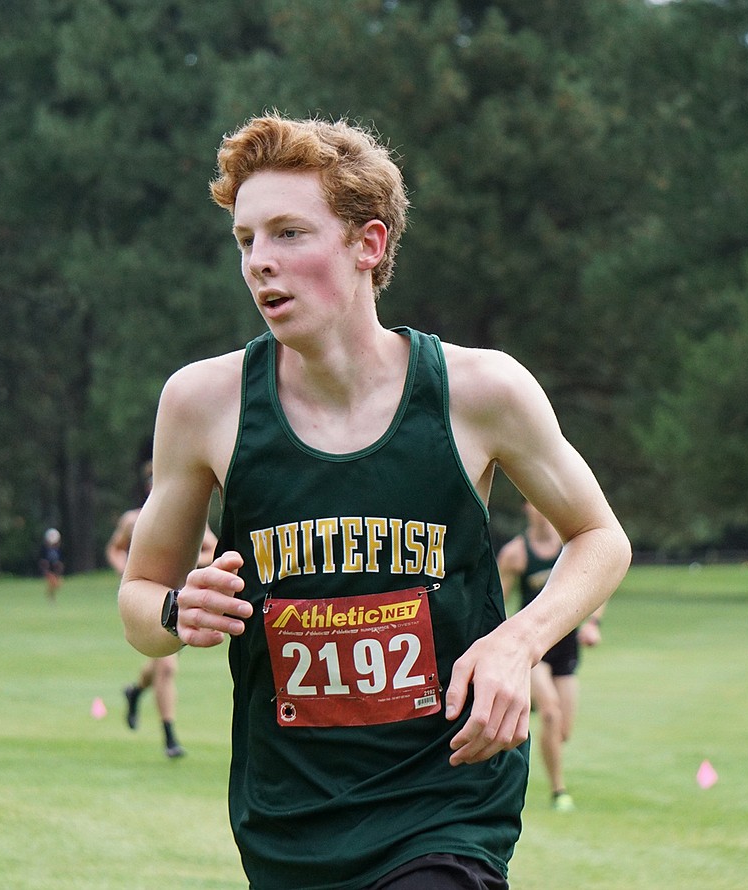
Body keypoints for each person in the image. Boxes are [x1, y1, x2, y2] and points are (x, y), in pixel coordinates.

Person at [118, 113, 631, 890]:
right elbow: (140, 600)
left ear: (369, 244)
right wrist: (174, 614)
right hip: (289, 817)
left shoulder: (479, 391)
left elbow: (599, 536)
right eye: (245, 240)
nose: (260, 263)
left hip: (446, 796)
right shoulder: (203, 403)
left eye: (289, 233)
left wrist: (518, 642)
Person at [497, 501, 606, 813]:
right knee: (551, 714)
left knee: (563, 731)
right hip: (535, 649)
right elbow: (496, 602)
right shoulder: (515, 554)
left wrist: (593, 624)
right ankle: (559, 791)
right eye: (534, 505)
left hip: (566, 647)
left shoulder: (570, 549)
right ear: (526, 509)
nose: (542, 511)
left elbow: (599, 586)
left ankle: (523, 704)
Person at [107, 471, 218, 758]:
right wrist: (128, 570)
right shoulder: (134, 520)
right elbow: (115, 549)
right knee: (166, 668)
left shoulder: (191, 518)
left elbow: (213, 549)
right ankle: (170, 738)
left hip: (184, 600)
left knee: (156, 666)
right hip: (153, 602)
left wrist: (193, 559)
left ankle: (134, 691)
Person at [39, 528, 64, 601]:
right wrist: (45, 571)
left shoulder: (58, 549)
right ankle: (51, 597)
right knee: (53, 583)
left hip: (55, 570)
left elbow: (59, 561)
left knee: (58, 585)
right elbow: (42, 561)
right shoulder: (44, 549)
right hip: (48, 570)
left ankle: (50, 595)